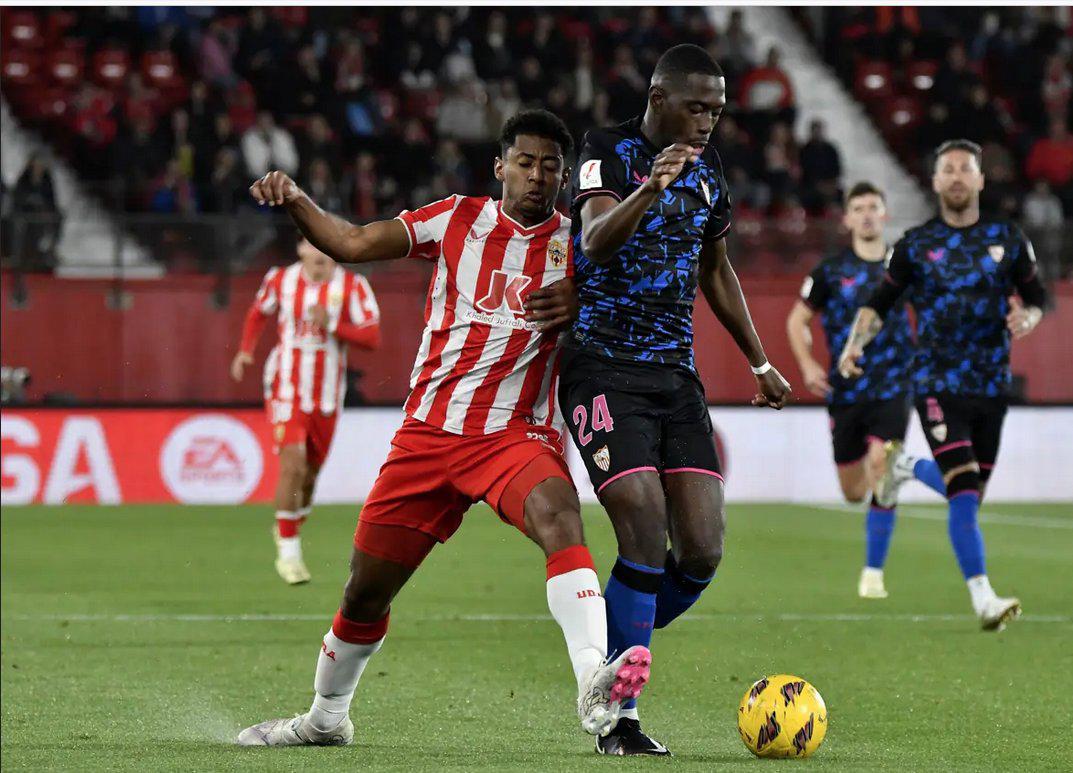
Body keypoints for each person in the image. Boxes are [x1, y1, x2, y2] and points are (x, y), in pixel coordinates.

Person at [236, 110, 651, 748]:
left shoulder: (583, 244)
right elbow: (350, 244)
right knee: (365, 590)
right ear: (500, 167)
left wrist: (585, 302)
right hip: (428, 434)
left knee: (561, 517)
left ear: (566, 177)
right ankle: (325, 719)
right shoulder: (455, 218)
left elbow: (632, 316)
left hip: (514, 434)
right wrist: (295, 200)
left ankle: (594, 686)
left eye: (550, 167)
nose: (537, 177)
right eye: (525, 163)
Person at [563, 44, 791, 755]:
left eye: (717, 110)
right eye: (697, 107)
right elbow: (595, 240)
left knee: (699, 551)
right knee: (640, 524)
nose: (708, 122)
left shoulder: (711, 170)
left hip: (674, 377)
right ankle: (619, 718)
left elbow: (716, 269)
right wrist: (650, 187)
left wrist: (758, 359)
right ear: (659, 97)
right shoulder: (607, 150)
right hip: (601, 367)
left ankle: (608, 641)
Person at [838, 139, 1049, 632]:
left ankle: (905, 466)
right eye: (947, 169)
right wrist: (854, 345)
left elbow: (1037, 295)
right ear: (934, 182)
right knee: (964, 484)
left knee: (969, 494)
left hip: (991, 386)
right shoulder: (914, 245)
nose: (956, 176)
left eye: (964, 169)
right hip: (935, 381)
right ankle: (983, 599)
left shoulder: (1008, 238)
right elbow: (878, 304)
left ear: (980, 180)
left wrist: (1030, 315)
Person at [786, 182, 946, 600]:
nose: (868, 214)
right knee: (855, 491)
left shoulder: (903, 269)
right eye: (859, 208)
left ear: (886, 214)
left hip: (894, 385)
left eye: (875, 206)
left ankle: (873, 573)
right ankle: (904, 465)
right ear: (848, 218)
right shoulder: (830, 271)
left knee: (881, 464)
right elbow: (796, 321)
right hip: (845, 392)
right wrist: (806, 365)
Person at [231, 237, 382, 583]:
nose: (320, 253)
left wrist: (331, 324)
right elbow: (258, 313)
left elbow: (372, 338)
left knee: (310, 475)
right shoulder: (279, 280)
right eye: (313, 246)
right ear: (300, 249)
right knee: (293, 463)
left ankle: (288, 524)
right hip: (286, 387)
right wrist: (245, 351)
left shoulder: (353, 286)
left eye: (327, 246)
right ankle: (289, 553)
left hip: (327, 394)